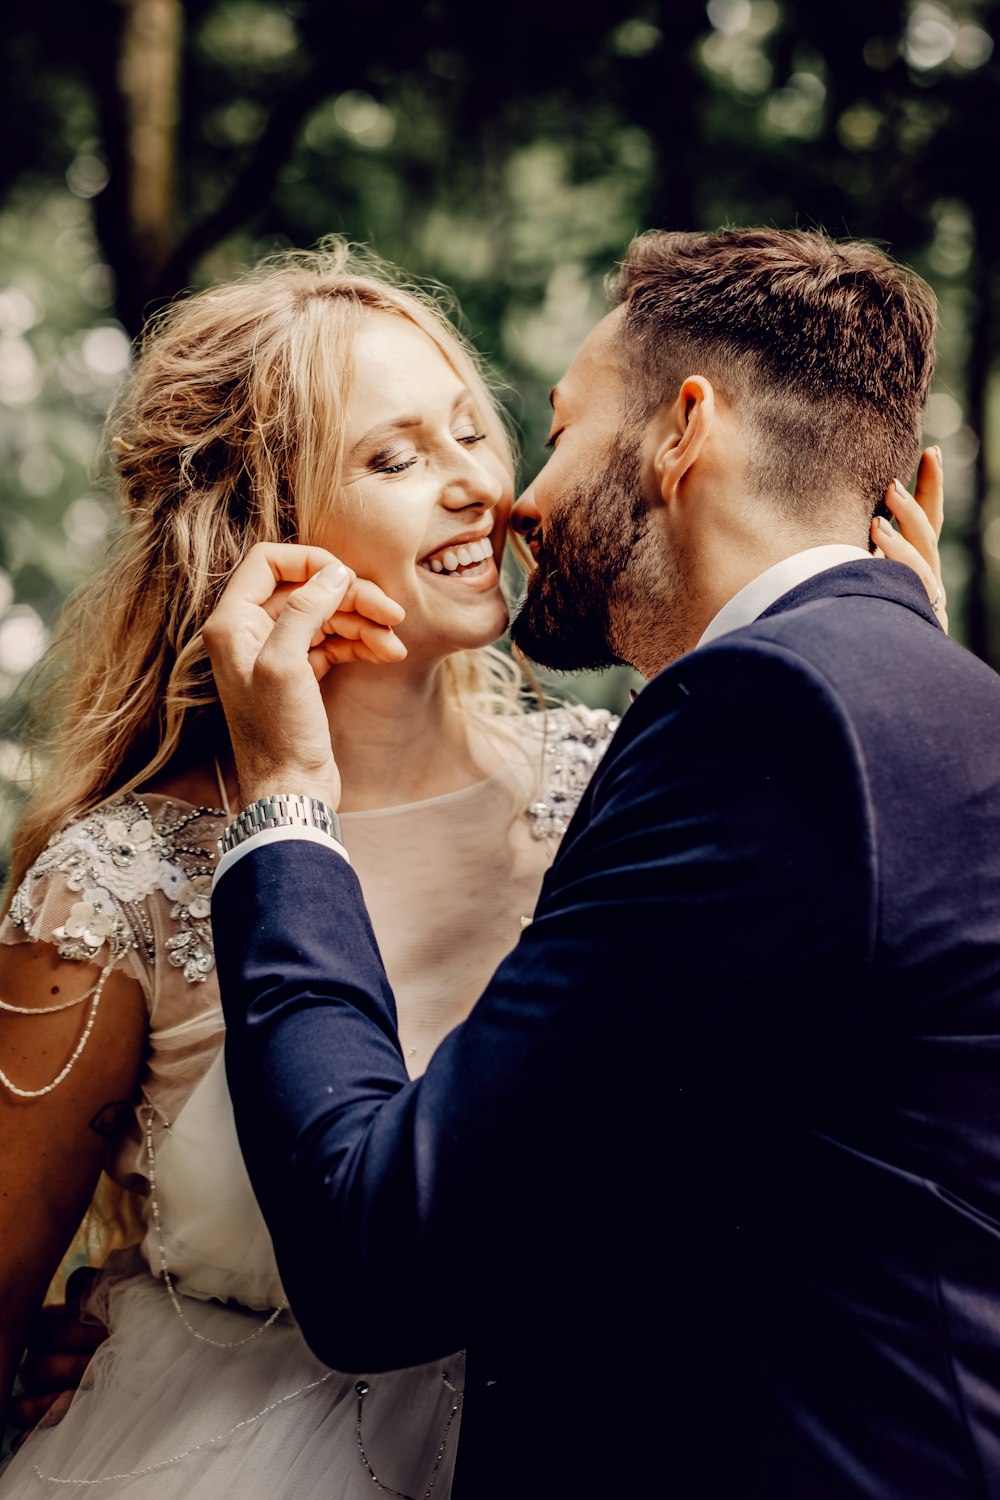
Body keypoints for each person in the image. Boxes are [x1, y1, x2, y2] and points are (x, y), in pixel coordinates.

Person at [202, 228, 1000, 1500]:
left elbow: (373, 1259)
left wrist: (286, 803)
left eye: (555, 430)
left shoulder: (770, 724)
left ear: (683, 429)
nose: (518, 493)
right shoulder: (934, 709)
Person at [0, 245, 633, 1497]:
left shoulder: (610, 791)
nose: (471, 484)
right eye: (393, 460)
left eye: (469, 431)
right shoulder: (120, 882)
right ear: (258, 527)